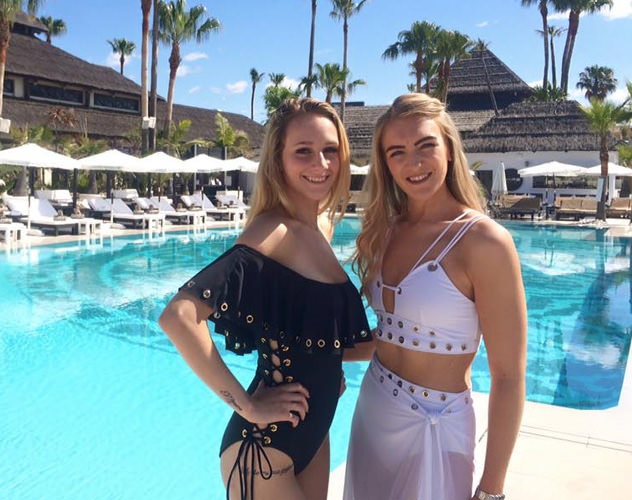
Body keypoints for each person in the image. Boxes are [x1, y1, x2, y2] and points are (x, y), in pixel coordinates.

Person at [159, 98, 372, 500]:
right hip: (263, 449)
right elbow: (178, 317)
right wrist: (248, 407)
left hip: (314, 437)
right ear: (278, 160)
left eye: (330, 150)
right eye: (303, 152)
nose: (321, 164)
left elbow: (323, 339)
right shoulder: (273, 231)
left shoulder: (319, 228)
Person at [343, 93, 526, 500]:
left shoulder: (484, 242)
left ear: (448, 147)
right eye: (397, 152)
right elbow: (390, 336)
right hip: (373, 411)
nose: (414, 163)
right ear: (386, 164)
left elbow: (509, 377)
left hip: (438, 425)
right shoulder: (383, 231)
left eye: (426, 145)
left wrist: (492, 488)